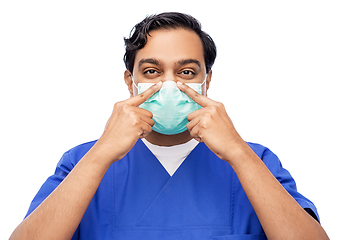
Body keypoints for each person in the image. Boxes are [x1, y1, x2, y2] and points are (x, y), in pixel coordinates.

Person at [9, 12, 329, 240]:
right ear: (129, 81)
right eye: (151, 71)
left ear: (208, 80)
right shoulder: (83, 161)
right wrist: (102, 151)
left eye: (187, 72)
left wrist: (237, 152)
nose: (169, 85)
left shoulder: (255, 161)